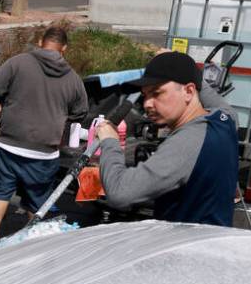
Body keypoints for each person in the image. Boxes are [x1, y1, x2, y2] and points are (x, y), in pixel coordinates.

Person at [94, 50, 238, 226]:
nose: (147, 103)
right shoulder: (225, 120)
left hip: (185, 249)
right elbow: (214, 101)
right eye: (145, 94)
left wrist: (110, 141)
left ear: (189, 91)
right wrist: (185, 65)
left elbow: (120, 193)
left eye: (157, 93)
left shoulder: (186, 142)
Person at [0, 26, 88, 250]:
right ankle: (31, 244)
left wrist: (8, 101)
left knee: (1, 190)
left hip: (9, 144)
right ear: (64, 48)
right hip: (44, 151)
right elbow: (80, 112)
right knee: (37, 197)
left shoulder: (19, 62)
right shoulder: (72, 78)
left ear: (41, 41)